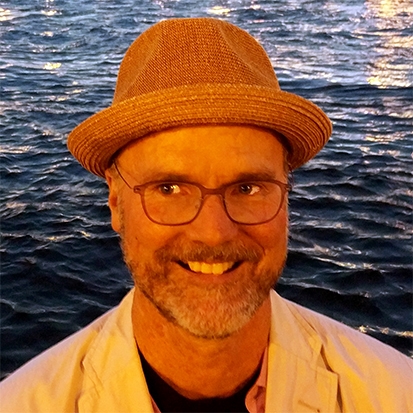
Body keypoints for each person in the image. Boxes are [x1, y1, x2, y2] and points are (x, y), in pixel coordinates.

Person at [0, 17, 411, 413]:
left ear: (287, 195)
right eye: (169, 189)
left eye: (247, 188)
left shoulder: (395, 393)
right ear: (114, 202)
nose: (213, 233)